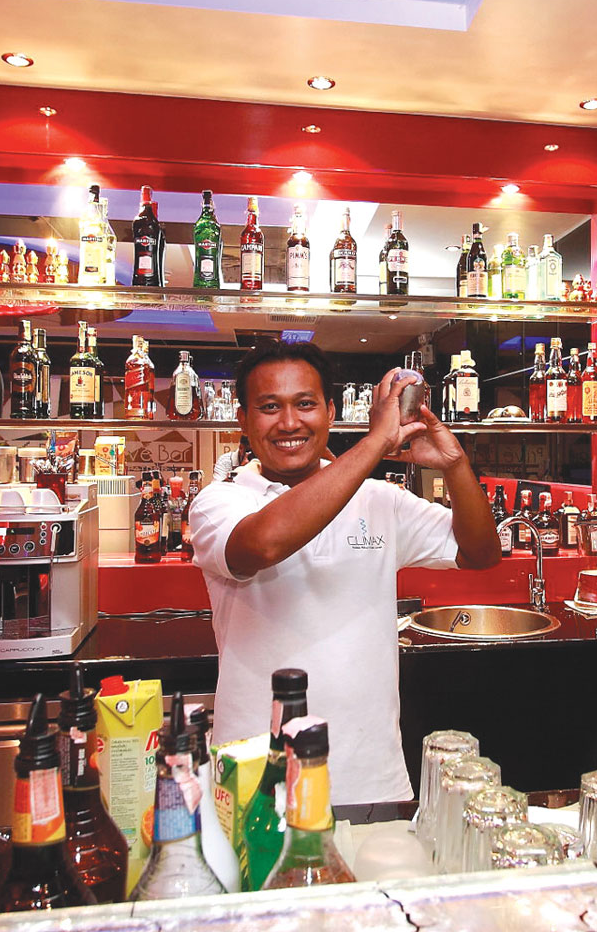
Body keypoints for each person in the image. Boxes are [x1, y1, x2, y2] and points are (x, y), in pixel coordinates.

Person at [189, 342, 500, 803]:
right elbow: (263, 544)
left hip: (370, 776)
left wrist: (455, 465)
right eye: (270, 407)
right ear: (243, 420)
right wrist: (375, 443)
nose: (289, 423)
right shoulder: (220, 501)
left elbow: (480, 553)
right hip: (256, 779)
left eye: (305, 404)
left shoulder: (380, 500)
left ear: (330, 412)